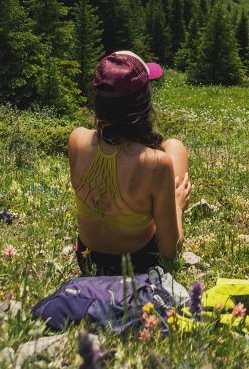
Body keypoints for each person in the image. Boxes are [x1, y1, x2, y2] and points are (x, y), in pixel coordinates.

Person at [68, 51, 191, 275]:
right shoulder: (157, 164)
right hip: (137, 265)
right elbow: (170, 252)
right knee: (176, 147)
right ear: (144, 102)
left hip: (88, 260)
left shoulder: (77, 139)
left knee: (171, 146)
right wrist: (177, 205)